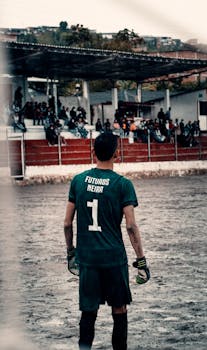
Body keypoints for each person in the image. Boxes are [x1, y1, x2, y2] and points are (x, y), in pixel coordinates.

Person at [64, 132, 150, 350]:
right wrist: (141, 261)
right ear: (116, 154)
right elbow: (130, 226)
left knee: (88, 311)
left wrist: (71, 253)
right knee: (119, 309)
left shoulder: (78, 181)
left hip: (88, 259)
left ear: (93, 153)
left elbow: (67, 223)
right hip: (113, 258)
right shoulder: (123, 184)